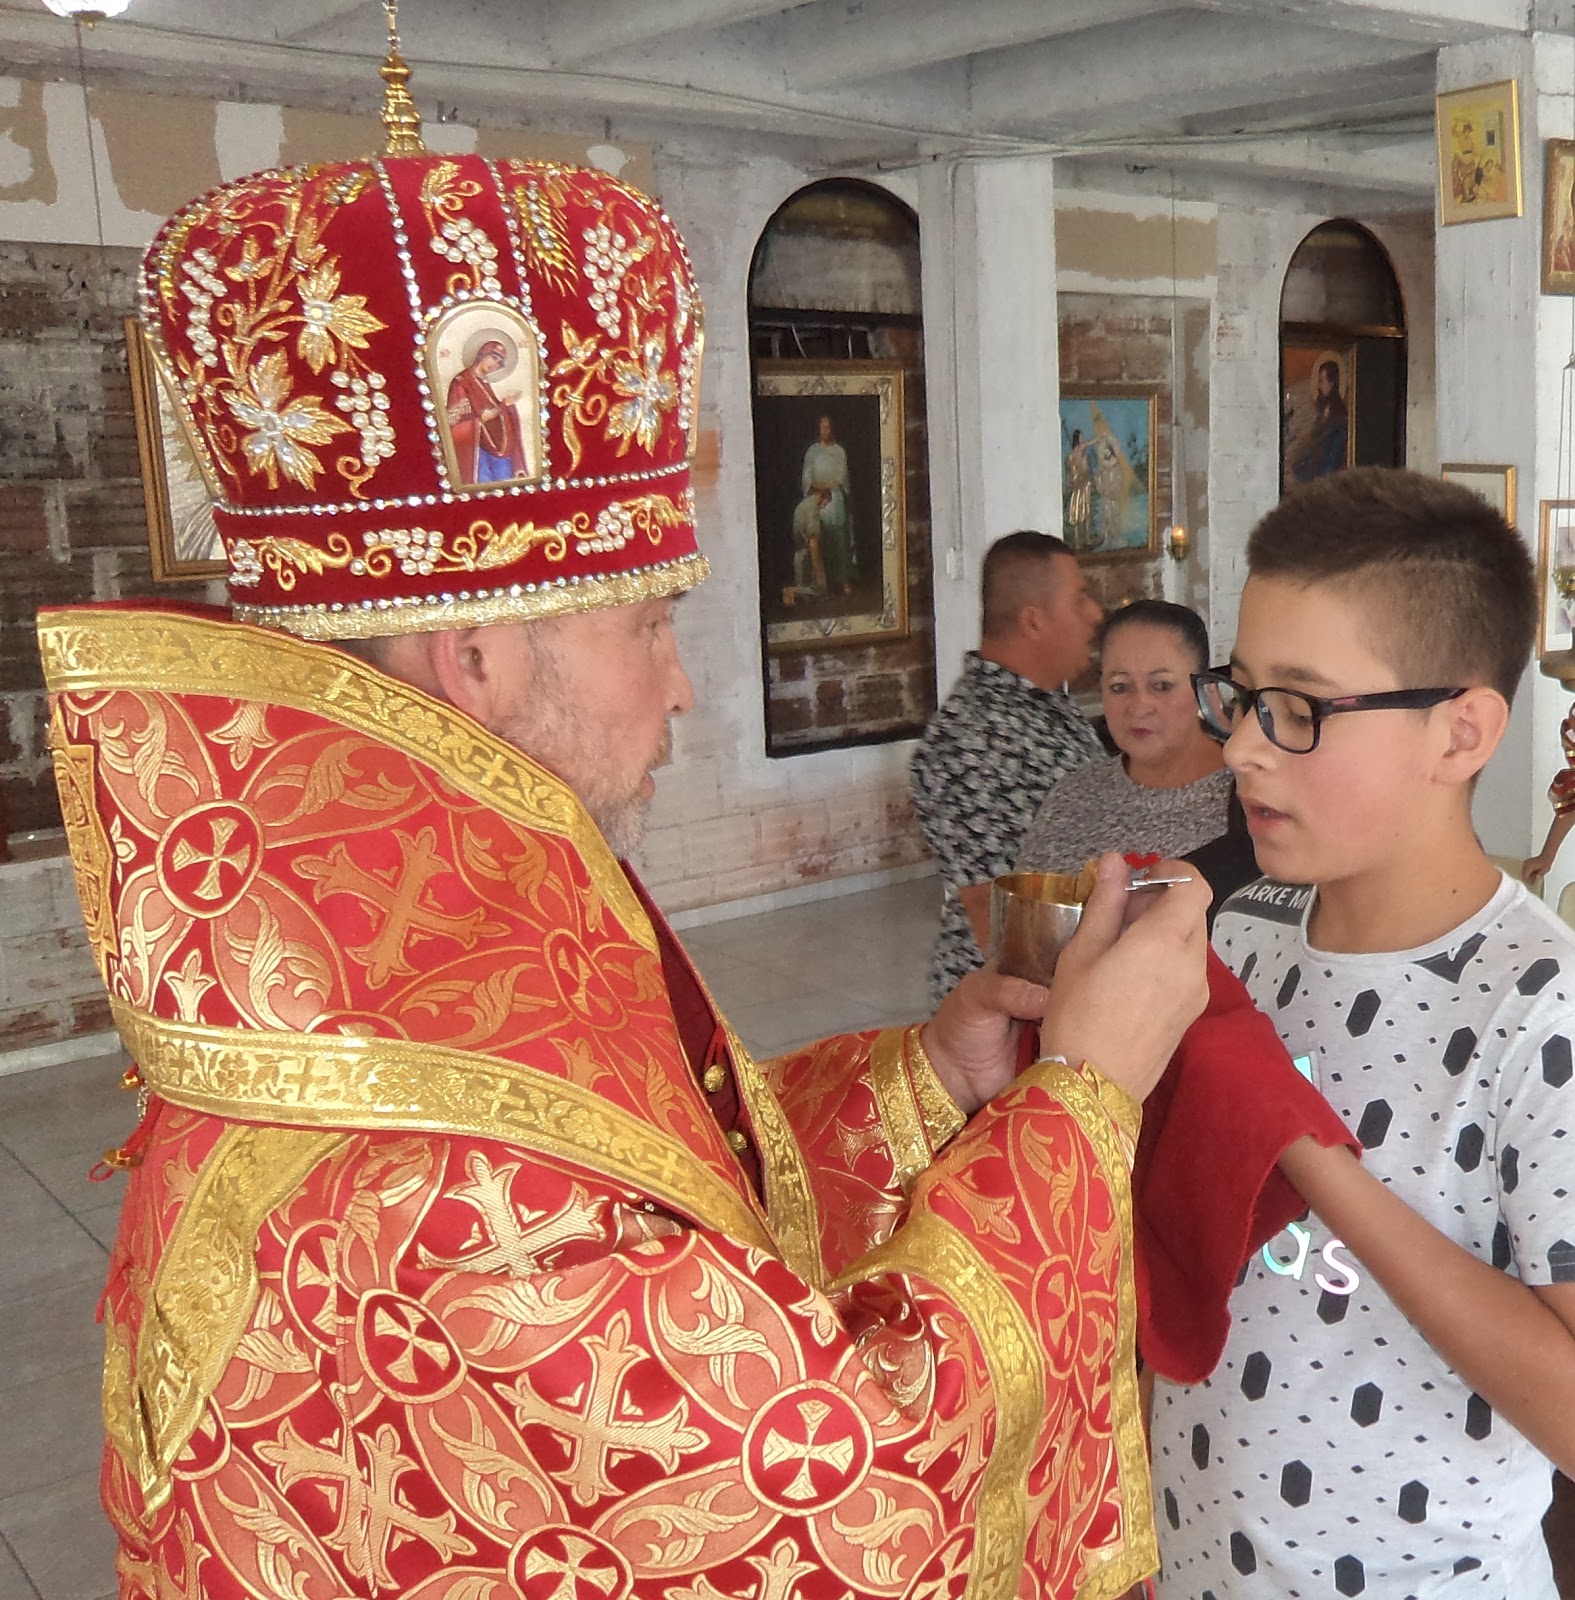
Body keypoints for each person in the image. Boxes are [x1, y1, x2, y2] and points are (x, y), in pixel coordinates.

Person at [41, 56, 1223, 1600]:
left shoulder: (393, 946)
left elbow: (658, 1225)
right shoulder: (426, 1132)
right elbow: (842, 1494)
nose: (678, 691)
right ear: (475, 655)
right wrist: (1084, 1097)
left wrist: (921, 1084)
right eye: (646, 626)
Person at [1153, 468, 1575, 1597]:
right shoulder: (1243, 936)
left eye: (1298, 708)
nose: (1241, 747)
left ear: (1461, 732)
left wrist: (1303, 1150)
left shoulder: (1541, 1008)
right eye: (1238, 696)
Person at [909, 530, 1106, 1007]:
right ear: (1033, 621)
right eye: (1079, 599)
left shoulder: (1042, 705)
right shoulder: (972, 739)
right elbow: (993, 914)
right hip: (1014, 1010)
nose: (1095, 613)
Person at [1016, 599, 1233, 874]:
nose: (1139, 706)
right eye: (1120, 687)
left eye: (1162, 686)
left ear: (1203, 689)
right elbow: (1029, 911)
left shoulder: (1247, 796)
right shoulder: (1072, 799)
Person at [446, 335, 529, 483]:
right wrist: (503, 406)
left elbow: (494, 413)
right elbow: (459, 420)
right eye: (494, 357)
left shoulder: (483, 384)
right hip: (477, 449)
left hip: (496, 445)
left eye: (499, 362)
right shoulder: (462, 382)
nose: (495, 364)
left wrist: (507, 407)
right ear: (482, 354)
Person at [790, 414, 854, 595]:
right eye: (823, 427)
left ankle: (843, 580)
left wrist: (831, 488)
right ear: (818, 429)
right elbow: (807, 479)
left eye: (829, 427)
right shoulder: (812, 452)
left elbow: (841, 479)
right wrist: (819, 488)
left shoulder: (839, 451)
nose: (826, 431)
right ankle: (820, 582)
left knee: (838, 531)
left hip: (834, 497)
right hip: (817, 497)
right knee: (817, 533)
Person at [1290, 357, 1349, 483]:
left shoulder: (1339, 414)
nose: (1319, 386)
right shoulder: (1322, 409)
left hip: (1326, 470)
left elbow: (1333, 453)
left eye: (1322, 381)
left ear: (1332, 383)